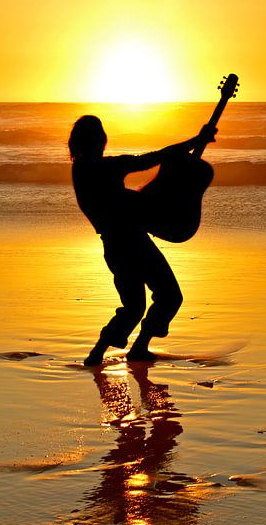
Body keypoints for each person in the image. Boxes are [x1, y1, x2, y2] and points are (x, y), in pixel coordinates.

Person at [69, 115, 216, 366]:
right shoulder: (103, 168)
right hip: (131, 243)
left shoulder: (81, 170)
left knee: (134, 306)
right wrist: (197, 140)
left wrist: (196, 141)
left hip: (116, 245)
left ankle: (98, 353)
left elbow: (154, 159)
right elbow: (154, 158)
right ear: (97, 141)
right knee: (169, 295)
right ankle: (135, 347)